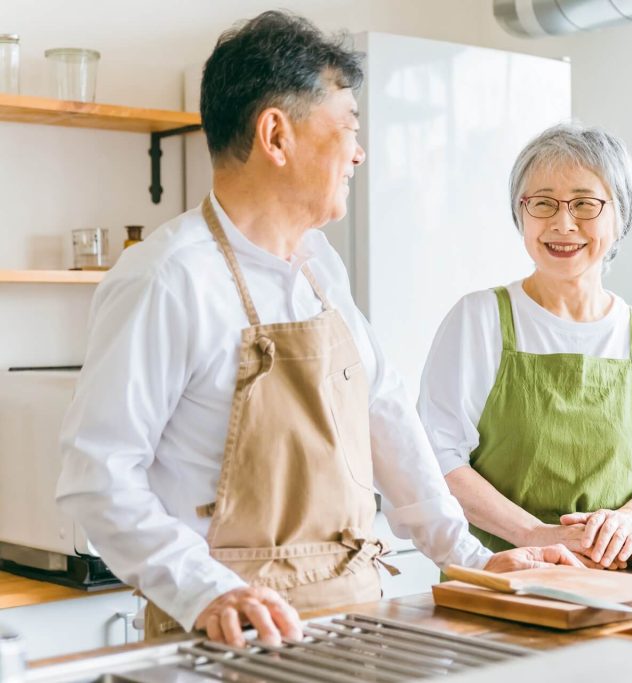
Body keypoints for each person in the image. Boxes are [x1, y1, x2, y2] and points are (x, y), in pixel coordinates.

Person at [56, 11, 579, 649]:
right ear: (276, 135)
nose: (359, 151)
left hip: (354, 623)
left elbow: (384, 417)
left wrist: (468, 558)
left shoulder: (321, 266)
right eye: (348, 128)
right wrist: (205, 591)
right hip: (232, 640)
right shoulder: (166, 278)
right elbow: (98, 476)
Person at [418, 122, 632, 570]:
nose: (562, 223)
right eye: (543, 203)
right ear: (521, 213)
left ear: (620, 213)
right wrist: (537, 535)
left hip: (617, 578)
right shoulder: (479, 319)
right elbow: (436, 457)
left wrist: (631, 520)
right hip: (499, 578)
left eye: (585, 204)